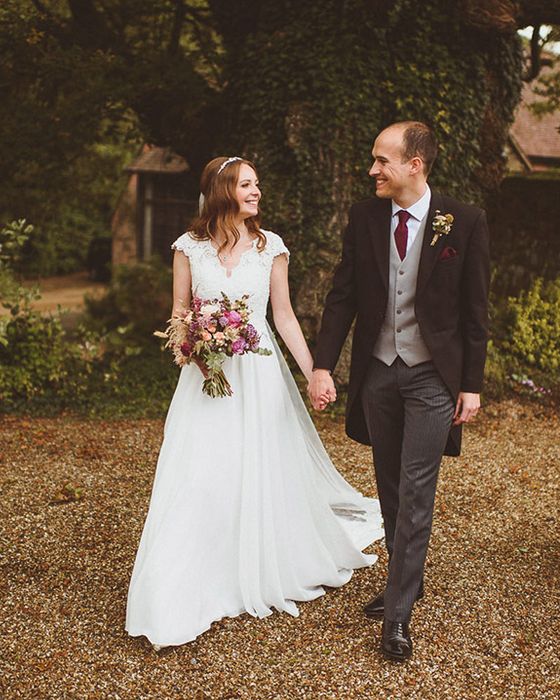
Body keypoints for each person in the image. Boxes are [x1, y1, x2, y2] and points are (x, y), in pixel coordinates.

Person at [125, 156, 383, 650]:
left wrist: (314, 374)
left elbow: (283, 317)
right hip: (207, 378)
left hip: (259, 373)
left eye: (257, 184)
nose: (256, 192)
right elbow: (180, 314)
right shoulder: (188, 248)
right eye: (247, 185)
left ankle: (260, 557)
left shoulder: (271, 248)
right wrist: (193, 350)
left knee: (258, 463)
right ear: (223, 191)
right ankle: (192, 570)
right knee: (200, 469)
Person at [309, 122, 490, 661]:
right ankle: (402, 580)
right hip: (379, 371)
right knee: (389, 485)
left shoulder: (465, 221)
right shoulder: (365, 217)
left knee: (416, 491)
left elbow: (475, 311)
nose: (372, 170)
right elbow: (342, 296)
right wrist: (324, 366)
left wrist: (472, 385)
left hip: (433, 377)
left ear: (415, 164)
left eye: (382, 160)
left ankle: (398, 615)